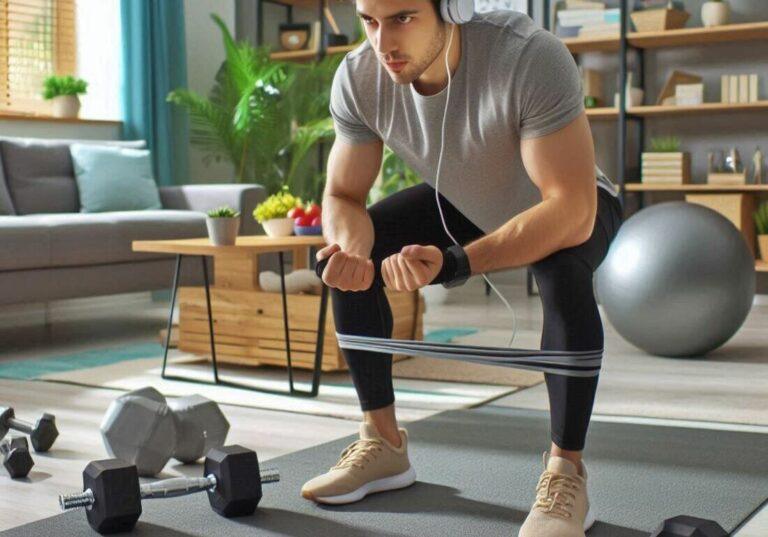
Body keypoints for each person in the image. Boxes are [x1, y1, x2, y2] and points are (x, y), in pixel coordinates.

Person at [301, 2, 623, 536]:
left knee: (562, 272)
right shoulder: (360, 76)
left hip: (570, 204)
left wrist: (454, 264)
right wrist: (351, 252)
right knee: (356, 252)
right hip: (465, 200)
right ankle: (382, 444)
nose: (382, 42)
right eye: (369, 21)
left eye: (402, 17)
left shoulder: (528, 57)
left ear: (452, 6)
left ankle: (566, 475)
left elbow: (571, 208)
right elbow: (341, 195)